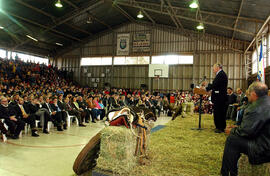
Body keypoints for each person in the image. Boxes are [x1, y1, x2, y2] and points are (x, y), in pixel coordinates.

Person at [221, 82, 270, 176]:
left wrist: (232, 130)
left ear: (253, 94)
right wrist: (238, 127)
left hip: (264, 149)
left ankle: (227, 173)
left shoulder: (256, 107)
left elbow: (246, 132)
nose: (247, 97)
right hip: (266, 141)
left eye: (248, 94)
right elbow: (257, 127)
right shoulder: (266, 102)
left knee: (232, 140)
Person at [205, 63, 228, 133]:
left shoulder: (221, 74)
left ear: (218, 67)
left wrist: (207, 86)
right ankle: (219, 126)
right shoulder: (220, 74)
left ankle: (220, 127)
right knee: (219, 112)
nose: (213, 70)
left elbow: (215, 84)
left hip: (219, 97)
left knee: (219, 112)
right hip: (219, 97)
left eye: (214, 68)